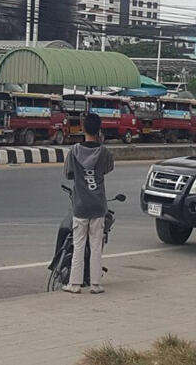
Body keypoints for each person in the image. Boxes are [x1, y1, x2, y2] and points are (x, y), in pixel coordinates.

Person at [62, 112, 114, 295]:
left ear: (82, 128)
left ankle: (74, 284)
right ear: (99, 130)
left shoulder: (74, 151)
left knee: (78, 244)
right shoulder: (104, 152)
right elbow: (108, 168)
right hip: (98, 205)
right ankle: (96, 284)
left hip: (80, 205)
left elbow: (68, 174)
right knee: (96, 246)